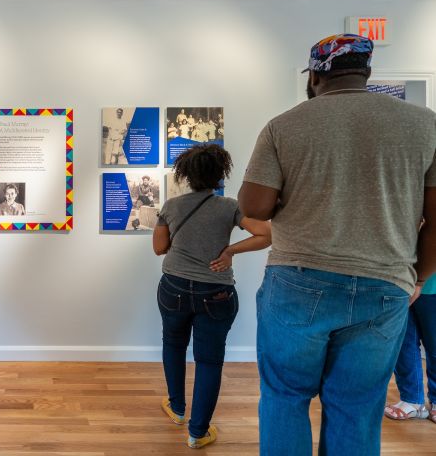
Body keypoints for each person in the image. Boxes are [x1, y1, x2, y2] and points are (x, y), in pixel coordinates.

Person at [239, 34, 436, 456]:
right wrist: (418, 279)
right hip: (385, 284)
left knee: (286, 396)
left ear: (314, 76)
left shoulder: (284, 125)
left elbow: (254, 207)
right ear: (367, 72)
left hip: (297, 280)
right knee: (357, 407)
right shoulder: (425, 124)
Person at [153, 144, 272, 449]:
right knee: (209, 361)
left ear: (186, 174)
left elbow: (159, 248)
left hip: (174, 288)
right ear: (220, 175)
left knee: (173, 345)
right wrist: (230, 250)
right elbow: (266, 234)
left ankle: (177, 409)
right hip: (215, 292)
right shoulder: (229, 207)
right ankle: (198, 433)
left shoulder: (171, 206)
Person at [384, 274, 436, 422]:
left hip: (432, 286)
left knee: (434, 345)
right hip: (400, 283)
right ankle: (411, 400)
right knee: (403, 344)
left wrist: (419, 283)